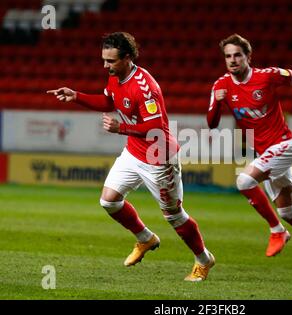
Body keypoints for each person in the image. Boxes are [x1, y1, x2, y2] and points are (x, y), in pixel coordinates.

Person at [47, 32, 214, 281]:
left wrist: (121, 128)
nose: (105, 65)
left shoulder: (145, 88)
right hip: (134, 152)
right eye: (104, 60)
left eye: (111, 61)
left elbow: (157, 127)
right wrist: (77, 96)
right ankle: (145, 238)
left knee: (174, 215)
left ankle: (204, 259)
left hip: (159, 158)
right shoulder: (116, 76)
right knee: (109, 201)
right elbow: (108, 100)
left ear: (127, 58)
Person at [207, 34, 292, 269]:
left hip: (284, 145)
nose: (232, 60)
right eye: (228, 56)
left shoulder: (266, 76)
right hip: (265, 152)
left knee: (244, 181)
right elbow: (211, 123)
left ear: (248, 57)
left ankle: (277, 232)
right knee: (288, 211)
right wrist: (219, 102)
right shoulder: (221, 85)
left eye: (237, 55)